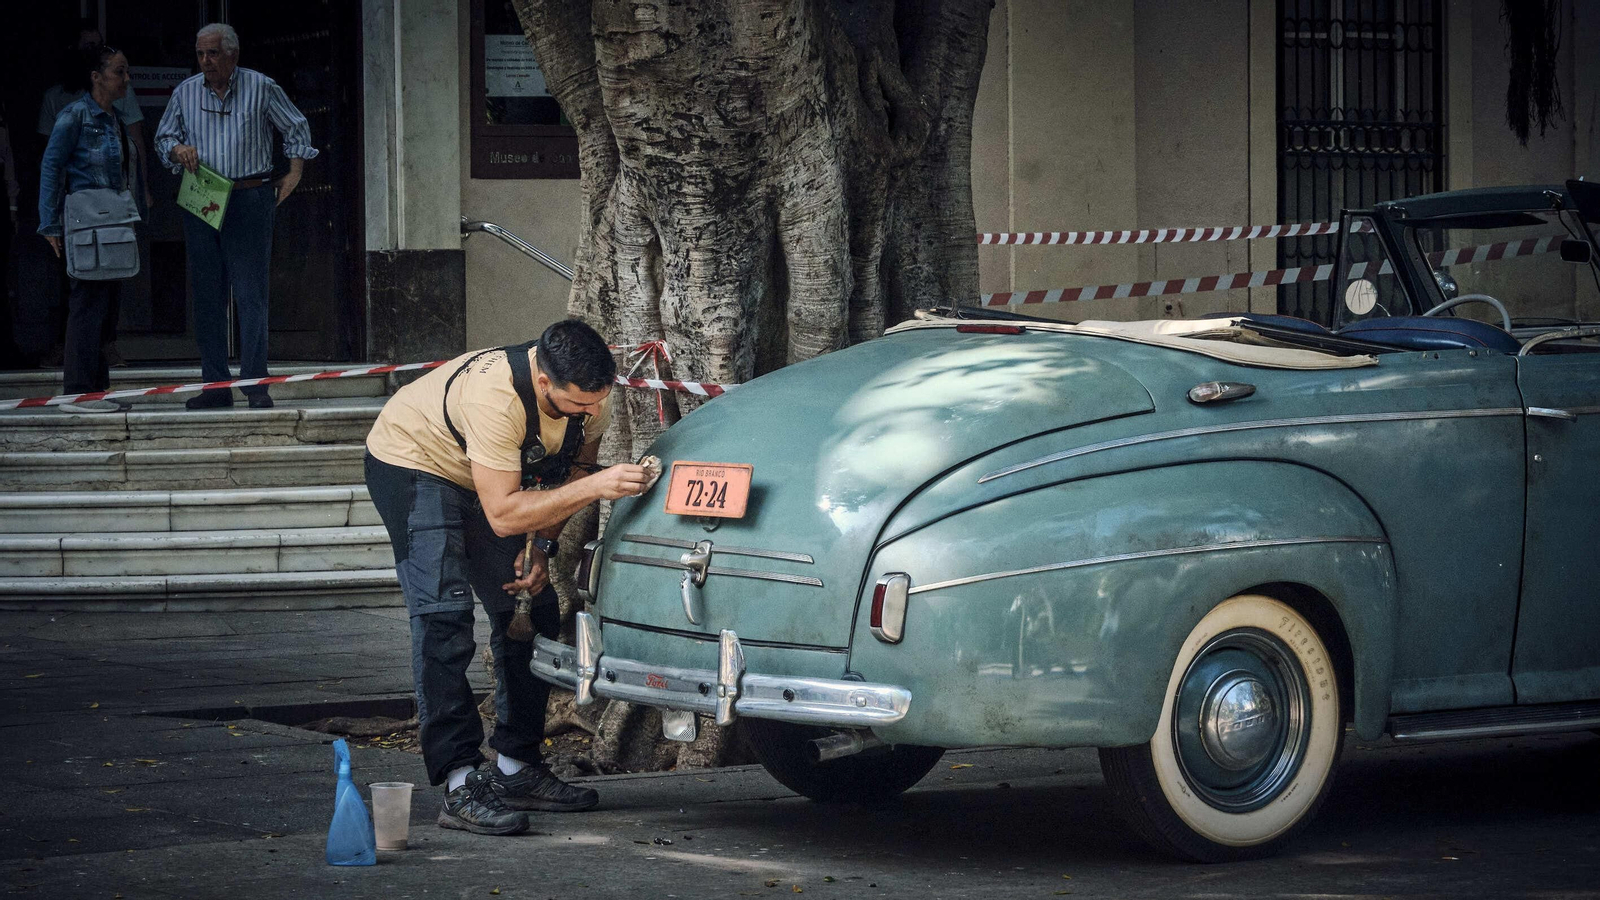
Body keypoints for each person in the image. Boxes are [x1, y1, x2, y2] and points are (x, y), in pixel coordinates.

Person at [364, 319, 649, 836]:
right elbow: (503, 515)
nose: (592, 412)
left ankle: (517, 767)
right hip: (416, 462)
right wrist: (602, 488)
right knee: (444, 617)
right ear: (545, 382)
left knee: (531, 608)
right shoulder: (495, 398)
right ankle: (458, 782)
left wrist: (542, 546)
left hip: (492, 479)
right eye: (579, 404)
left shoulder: (592, 394)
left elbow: (573, 473)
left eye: (596, 402)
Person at [153, 23, 317, 411]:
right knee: (207, 297)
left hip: (249, 197)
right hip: (202, 196)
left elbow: (296, 127)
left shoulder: (262, 86)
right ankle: (215, 387)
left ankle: (255, 385)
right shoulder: (186, 92)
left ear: (233, 55)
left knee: (250, 295)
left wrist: (293, 173)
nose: (205, 61)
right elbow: (163, 138)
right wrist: (177, 150)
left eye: (213, 53)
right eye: (200, 54)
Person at [36, 21, 151, 370]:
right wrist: (50, 223)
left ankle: (97, 388)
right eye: (120, 72)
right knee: (84, 302)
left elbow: (124, 169)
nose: (127, 79)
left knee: (103, 300)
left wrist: (135, 205)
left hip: (113, 219)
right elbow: (51, 168)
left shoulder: (114, 119)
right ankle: (79, 390)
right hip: (83, 222)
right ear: (97, 77)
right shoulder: (74, 116)